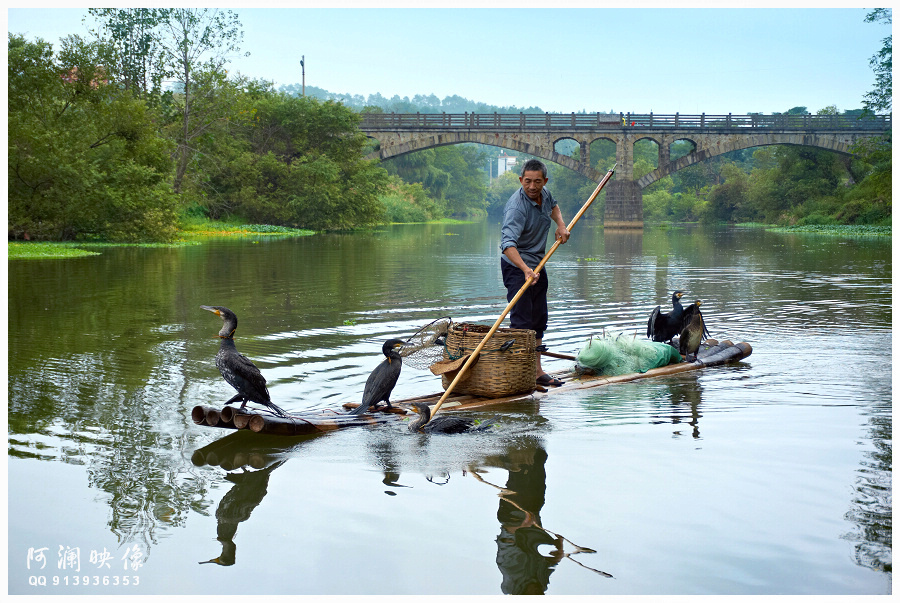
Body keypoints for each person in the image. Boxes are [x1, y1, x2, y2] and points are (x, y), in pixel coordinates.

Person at [500, 159, 569, 387]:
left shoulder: (545, 194)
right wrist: (525, 269)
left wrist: (560, 225)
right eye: (527, 181)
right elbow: (507, 245)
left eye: (536, 182)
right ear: (521, 180)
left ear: (544, 181)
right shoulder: (516, 208)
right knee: (521, 321)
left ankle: (537, 371)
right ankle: (519, 373)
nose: (531, 186)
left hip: (538, 264)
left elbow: (554, 206)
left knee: (539, 319)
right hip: (517, 266)